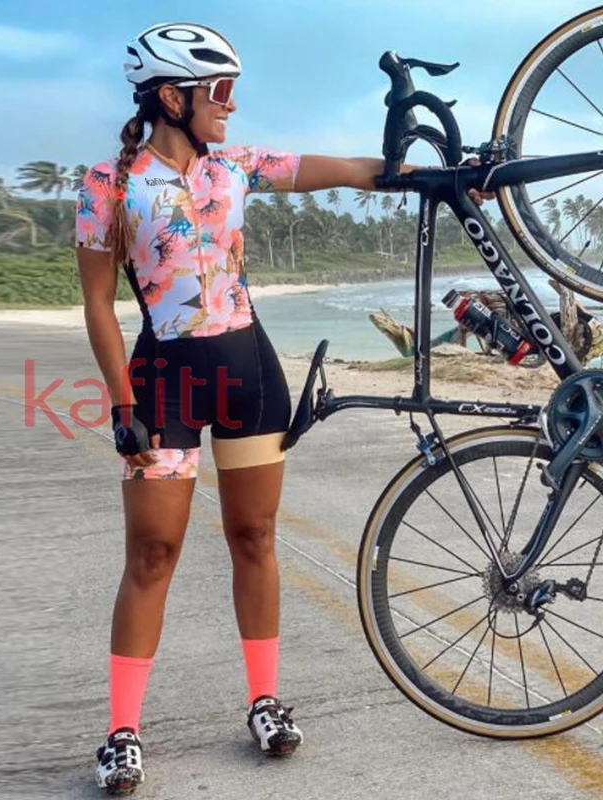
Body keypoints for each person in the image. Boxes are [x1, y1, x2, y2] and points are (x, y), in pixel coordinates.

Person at [76, 22, 488, 796]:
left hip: (249, 375)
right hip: (163, 381)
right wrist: (121, 403)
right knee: (152, 553)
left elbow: (353, 171)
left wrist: (450, 178)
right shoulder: (109, 182)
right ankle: (121, 732)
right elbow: (98, 302)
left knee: (255, 537)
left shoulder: (236, 165)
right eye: (219, 90)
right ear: (172, 98)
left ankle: (264, 701)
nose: (231, 104)